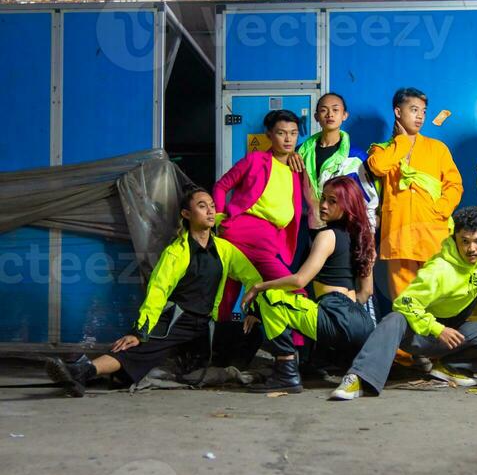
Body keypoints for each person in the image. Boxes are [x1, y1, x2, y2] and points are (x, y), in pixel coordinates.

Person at [44, 189, 261, 396]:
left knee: (252, 332)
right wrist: (140, 331)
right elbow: (158, 290)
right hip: (177, 321)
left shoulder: (224, 250)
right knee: (139, 347)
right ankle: (82, 371)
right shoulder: (176, 252)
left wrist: (254, 309)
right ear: (186, 214)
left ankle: (218, 371)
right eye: (202, 206)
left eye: (212, 206)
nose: (211, 211)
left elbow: (254, 279)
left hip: (206, 325)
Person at [330, 206, 477, 400]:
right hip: (424, 335)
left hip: (454, 335)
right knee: (395, 319)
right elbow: (404, 302)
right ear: (455, 238)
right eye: (465, 241)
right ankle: (359, 377)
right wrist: (437, 329)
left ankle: (451, 368)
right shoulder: (438, 269)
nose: (471, 249)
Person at [240, 177, 376, 394]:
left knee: (270, 297)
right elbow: (366, 291)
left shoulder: (327, 235)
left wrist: (258, 287)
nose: (323, 205)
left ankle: (286, 372)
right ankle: (316, 364)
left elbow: (299, 280)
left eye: (332, 201)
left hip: (335, 315)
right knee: (312, 308)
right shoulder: (362, 238)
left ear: (347, 205)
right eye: (323, 198)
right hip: (362, 323)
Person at [367, 86, 463, 301]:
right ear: (398, 112)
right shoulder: (382, 149)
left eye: (423, 111)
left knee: (436, 302)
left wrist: (440, 209)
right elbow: (378, 167)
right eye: (413, 109)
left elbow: (454, 185)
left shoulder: (437, 149)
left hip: (432, 235)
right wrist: (401, 142)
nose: (420, 116)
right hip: (398, 237)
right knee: (405, 304)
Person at [212, 109, 304, 323]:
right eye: (281, 133)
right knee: (226, 297)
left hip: (271, 238)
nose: (288, 138)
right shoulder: (256, 160)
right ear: (269, 135)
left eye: (293, 133)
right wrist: (218, 218)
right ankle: (213, 350)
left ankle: (288, 350)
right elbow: (221, 186)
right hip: (241, 232)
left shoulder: (297, 167)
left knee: (275, 292)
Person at [289, 92, 378, 231]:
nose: (330, 114)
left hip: (344, 232)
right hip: (311, 229)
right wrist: (288, 155)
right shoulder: (301, 153)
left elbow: (369, 202)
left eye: (335, 110)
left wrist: (369, 240)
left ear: (344, 115)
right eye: (324, 110)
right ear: (316, 117)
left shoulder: (356, 157)